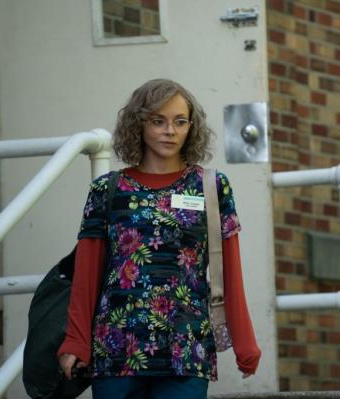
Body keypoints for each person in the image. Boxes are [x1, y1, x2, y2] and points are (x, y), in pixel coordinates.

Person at [56, 79, 261, 398]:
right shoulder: (107, 190)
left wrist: (244, 343)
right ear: (139, 123)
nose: (170, 130)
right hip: (116, 350)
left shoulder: (211, 187)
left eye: (180, 121)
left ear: (191, 128)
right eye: (158, 121)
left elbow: (229, 270)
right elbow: (86, 276)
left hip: (186, 351)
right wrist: (76, 341)